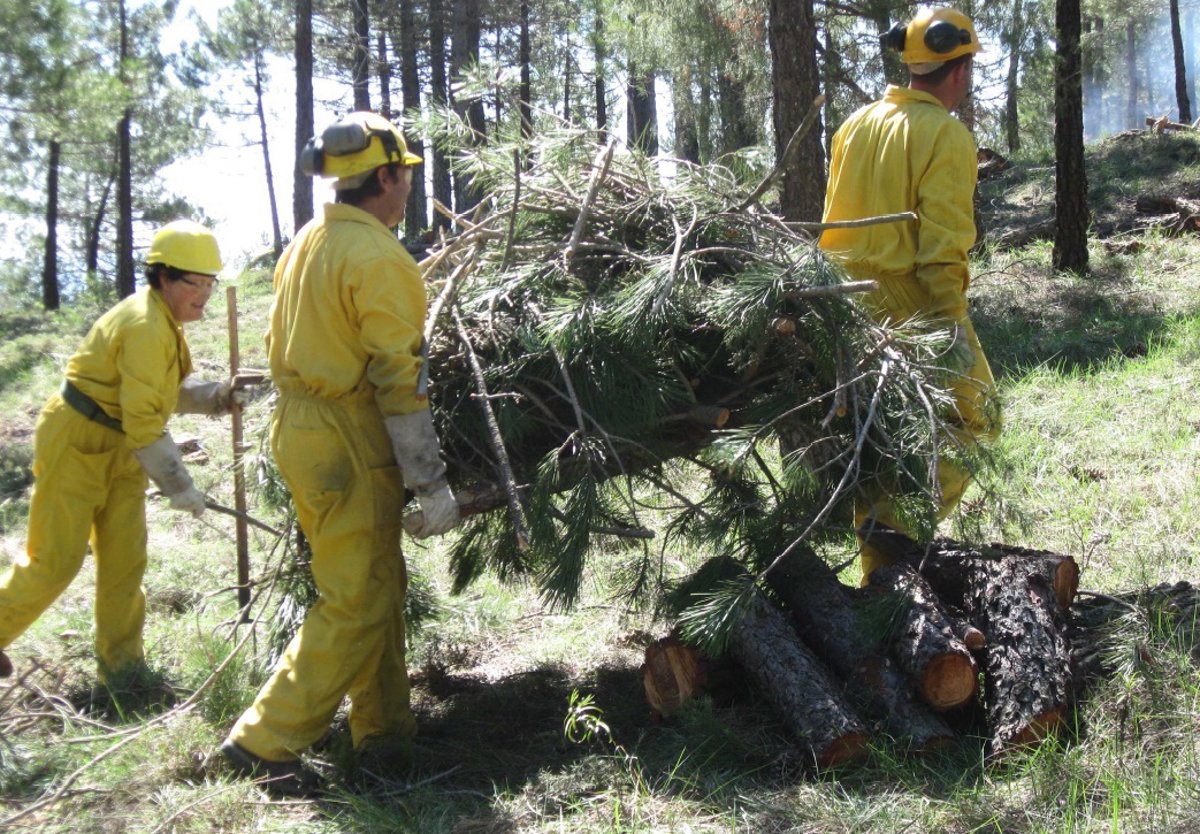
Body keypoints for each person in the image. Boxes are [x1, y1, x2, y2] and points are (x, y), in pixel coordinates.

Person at [220, 111, 461, 796]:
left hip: (301, 427)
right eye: (404, 174)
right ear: (384, 178)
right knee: (355, 598)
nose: (408, 185)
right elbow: (399, 378)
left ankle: (383, 735)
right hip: (348, 433)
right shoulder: (378, 256)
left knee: (373, 583)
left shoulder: (309, 240)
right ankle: (263, 742)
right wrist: (429, 482)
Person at [0, 220, 242, 683]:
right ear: (164, 276)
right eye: (194, 283)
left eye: (210, 283)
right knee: (55, 561)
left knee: (125, 560)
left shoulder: (164, 320)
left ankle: (123, 670)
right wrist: (180, 486)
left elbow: (155, 393)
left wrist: (218, 396)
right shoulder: (144, 324)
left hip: (123, 444)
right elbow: (145, 423)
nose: (205, 294)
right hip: (78, 439)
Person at [819, 8, 1000, 582]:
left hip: (843, 302)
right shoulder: (946, 134)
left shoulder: (854, 125)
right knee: (978, 417)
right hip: (911, 304)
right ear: (960, 70)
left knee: (878, 436)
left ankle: (880, 580)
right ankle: (896, 542)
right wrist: (952, 327)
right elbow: (943, 249)